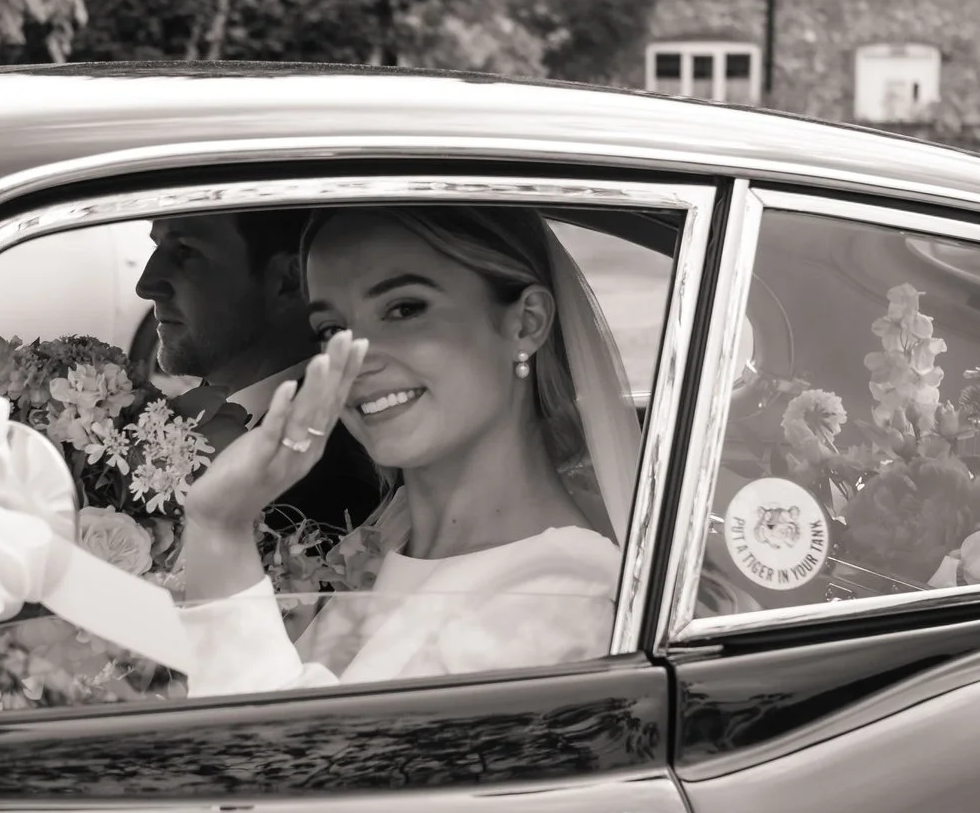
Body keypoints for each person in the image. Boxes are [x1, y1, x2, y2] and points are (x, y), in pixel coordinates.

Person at [174, 206, 643, 696]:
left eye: (404, 309)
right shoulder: (389, 534)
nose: (357, 359)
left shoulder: (560, 600)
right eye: (332, 331)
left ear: (526, 323)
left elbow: (274, 763)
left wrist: (220, 528)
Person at [135, 210, 384, 539]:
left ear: (289, 281)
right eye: (156, 248)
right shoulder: (163, 421)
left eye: (185, 250)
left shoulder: (336, 482)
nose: (146, 285)